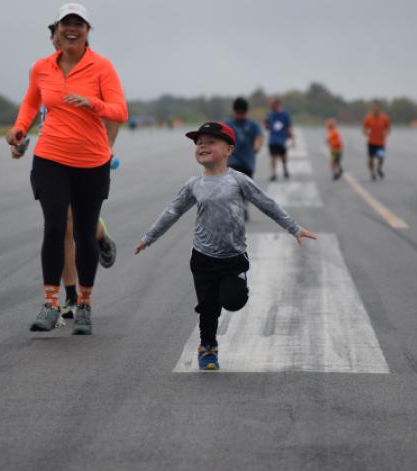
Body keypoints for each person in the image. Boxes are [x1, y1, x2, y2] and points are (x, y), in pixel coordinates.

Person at [134, 122, 317, 370]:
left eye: (210, 142)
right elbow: (173, 211)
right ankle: (208, 348)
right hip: (203, 257)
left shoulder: (238, 180)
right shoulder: (193, 185)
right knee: (208, 308)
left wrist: (294, 228)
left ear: (229, 150)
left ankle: (229, 293)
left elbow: (267, 204)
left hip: (233, 256)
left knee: (233, 300)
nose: (202, 146)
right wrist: (149, 237)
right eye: (199, 143)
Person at [6, 2, 128, 335]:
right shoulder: (42, 68)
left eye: (79, 24)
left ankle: (84, 304)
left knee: (84, 233)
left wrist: (94, 104)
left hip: (91, 161)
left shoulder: (102, 68)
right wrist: (19, 129)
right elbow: (31, 103)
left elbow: (120, 111)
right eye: (65, 24)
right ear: (57, 30)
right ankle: (52, 303)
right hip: (51, 157)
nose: (71, 29)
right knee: (56, 226)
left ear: (88, 31)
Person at [225, 97, 263, 221]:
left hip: (248, 162)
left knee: (245, 189)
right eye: (238, 113)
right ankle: (235, 209)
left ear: (246, 112)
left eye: (243, 113)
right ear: (234, 111)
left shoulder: (253, 124)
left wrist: (257, 145)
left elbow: (259, 136)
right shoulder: (227, 124)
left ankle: (244, 206)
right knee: (233, 187)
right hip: (232, 161)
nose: (240, 116)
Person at [264, 97, 293, 181]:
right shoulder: (270, 114)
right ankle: (274, 174)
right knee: (273, 157)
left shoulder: (285, 114)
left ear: (277, 105)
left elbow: (289, 125)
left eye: (272, 105)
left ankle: (285, 168)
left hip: (282, 139)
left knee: (283, 156)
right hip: (272, 139)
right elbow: (267, 126)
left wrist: (290, 135)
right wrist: (266, 125)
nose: (271, 107)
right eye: (270, 105)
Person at [362, 103, 391, 181]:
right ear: (372, 111)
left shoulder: (385, 118)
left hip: (381, 143)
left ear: (380, 111)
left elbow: (388, 128)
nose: (376, 112)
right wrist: (366, 133)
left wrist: (386, 134)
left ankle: (379, 168)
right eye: (374, 111)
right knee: (371, 159)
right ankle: (372, 172)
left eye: (377, 111)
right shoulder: (368, 118)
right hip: (371, 143)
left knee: (381, 158)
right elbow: (364, 129)